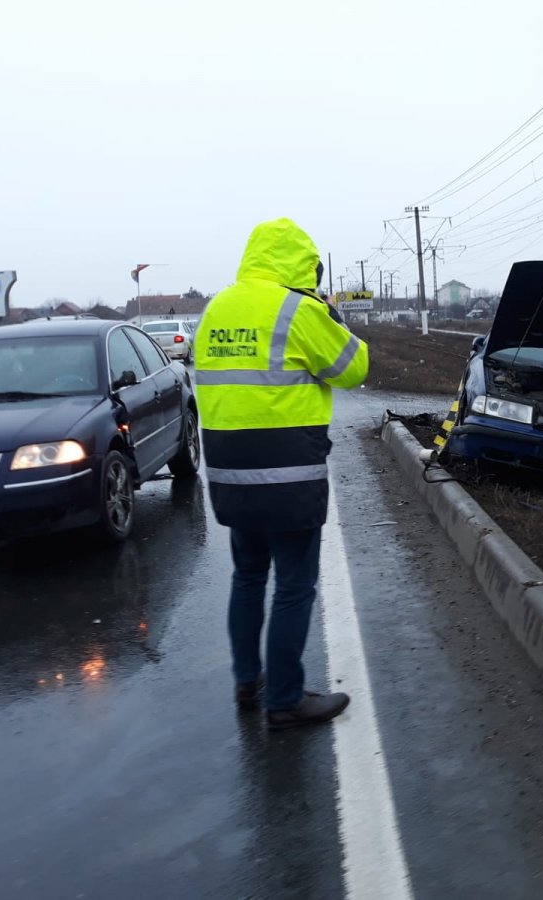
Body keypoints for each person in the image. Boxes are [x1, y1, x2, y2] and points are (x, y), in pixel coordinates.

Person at [195, 218, 369, 731]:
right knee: (294, 584)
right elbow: (354, 368)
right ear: (301, 262)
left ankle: (248, 681)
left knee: (248, 575)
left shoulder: (216, 308)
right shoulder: (299, 309)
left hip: (229, 470)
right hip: (288, 472)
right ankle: (286, 700)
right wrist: (333, 319)